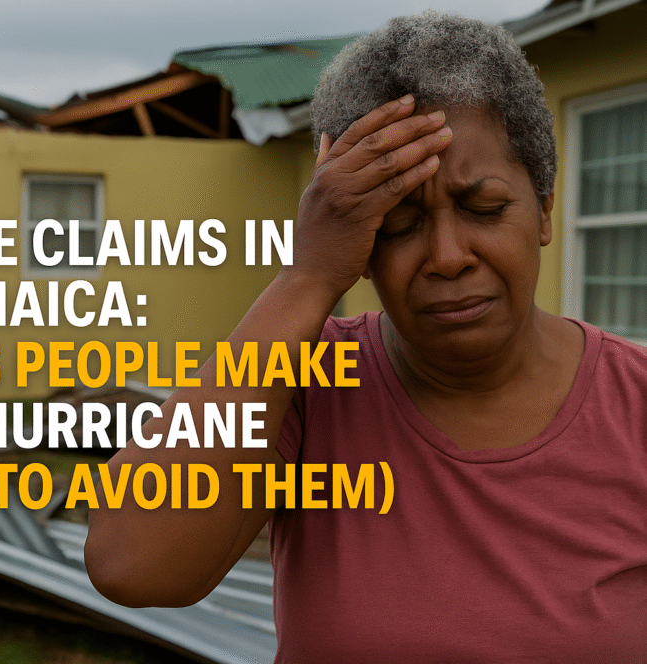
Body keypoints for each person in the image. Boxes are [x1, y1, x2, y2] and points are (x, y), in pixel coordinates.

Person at [85, 12, 647, 662]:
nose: (446, 255)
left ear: (545, 208)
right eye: (397, 225)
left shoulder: (633, 409)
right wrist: (307, 278)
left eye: (484, 208)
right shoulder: (305, 384)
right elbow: (132, 563)